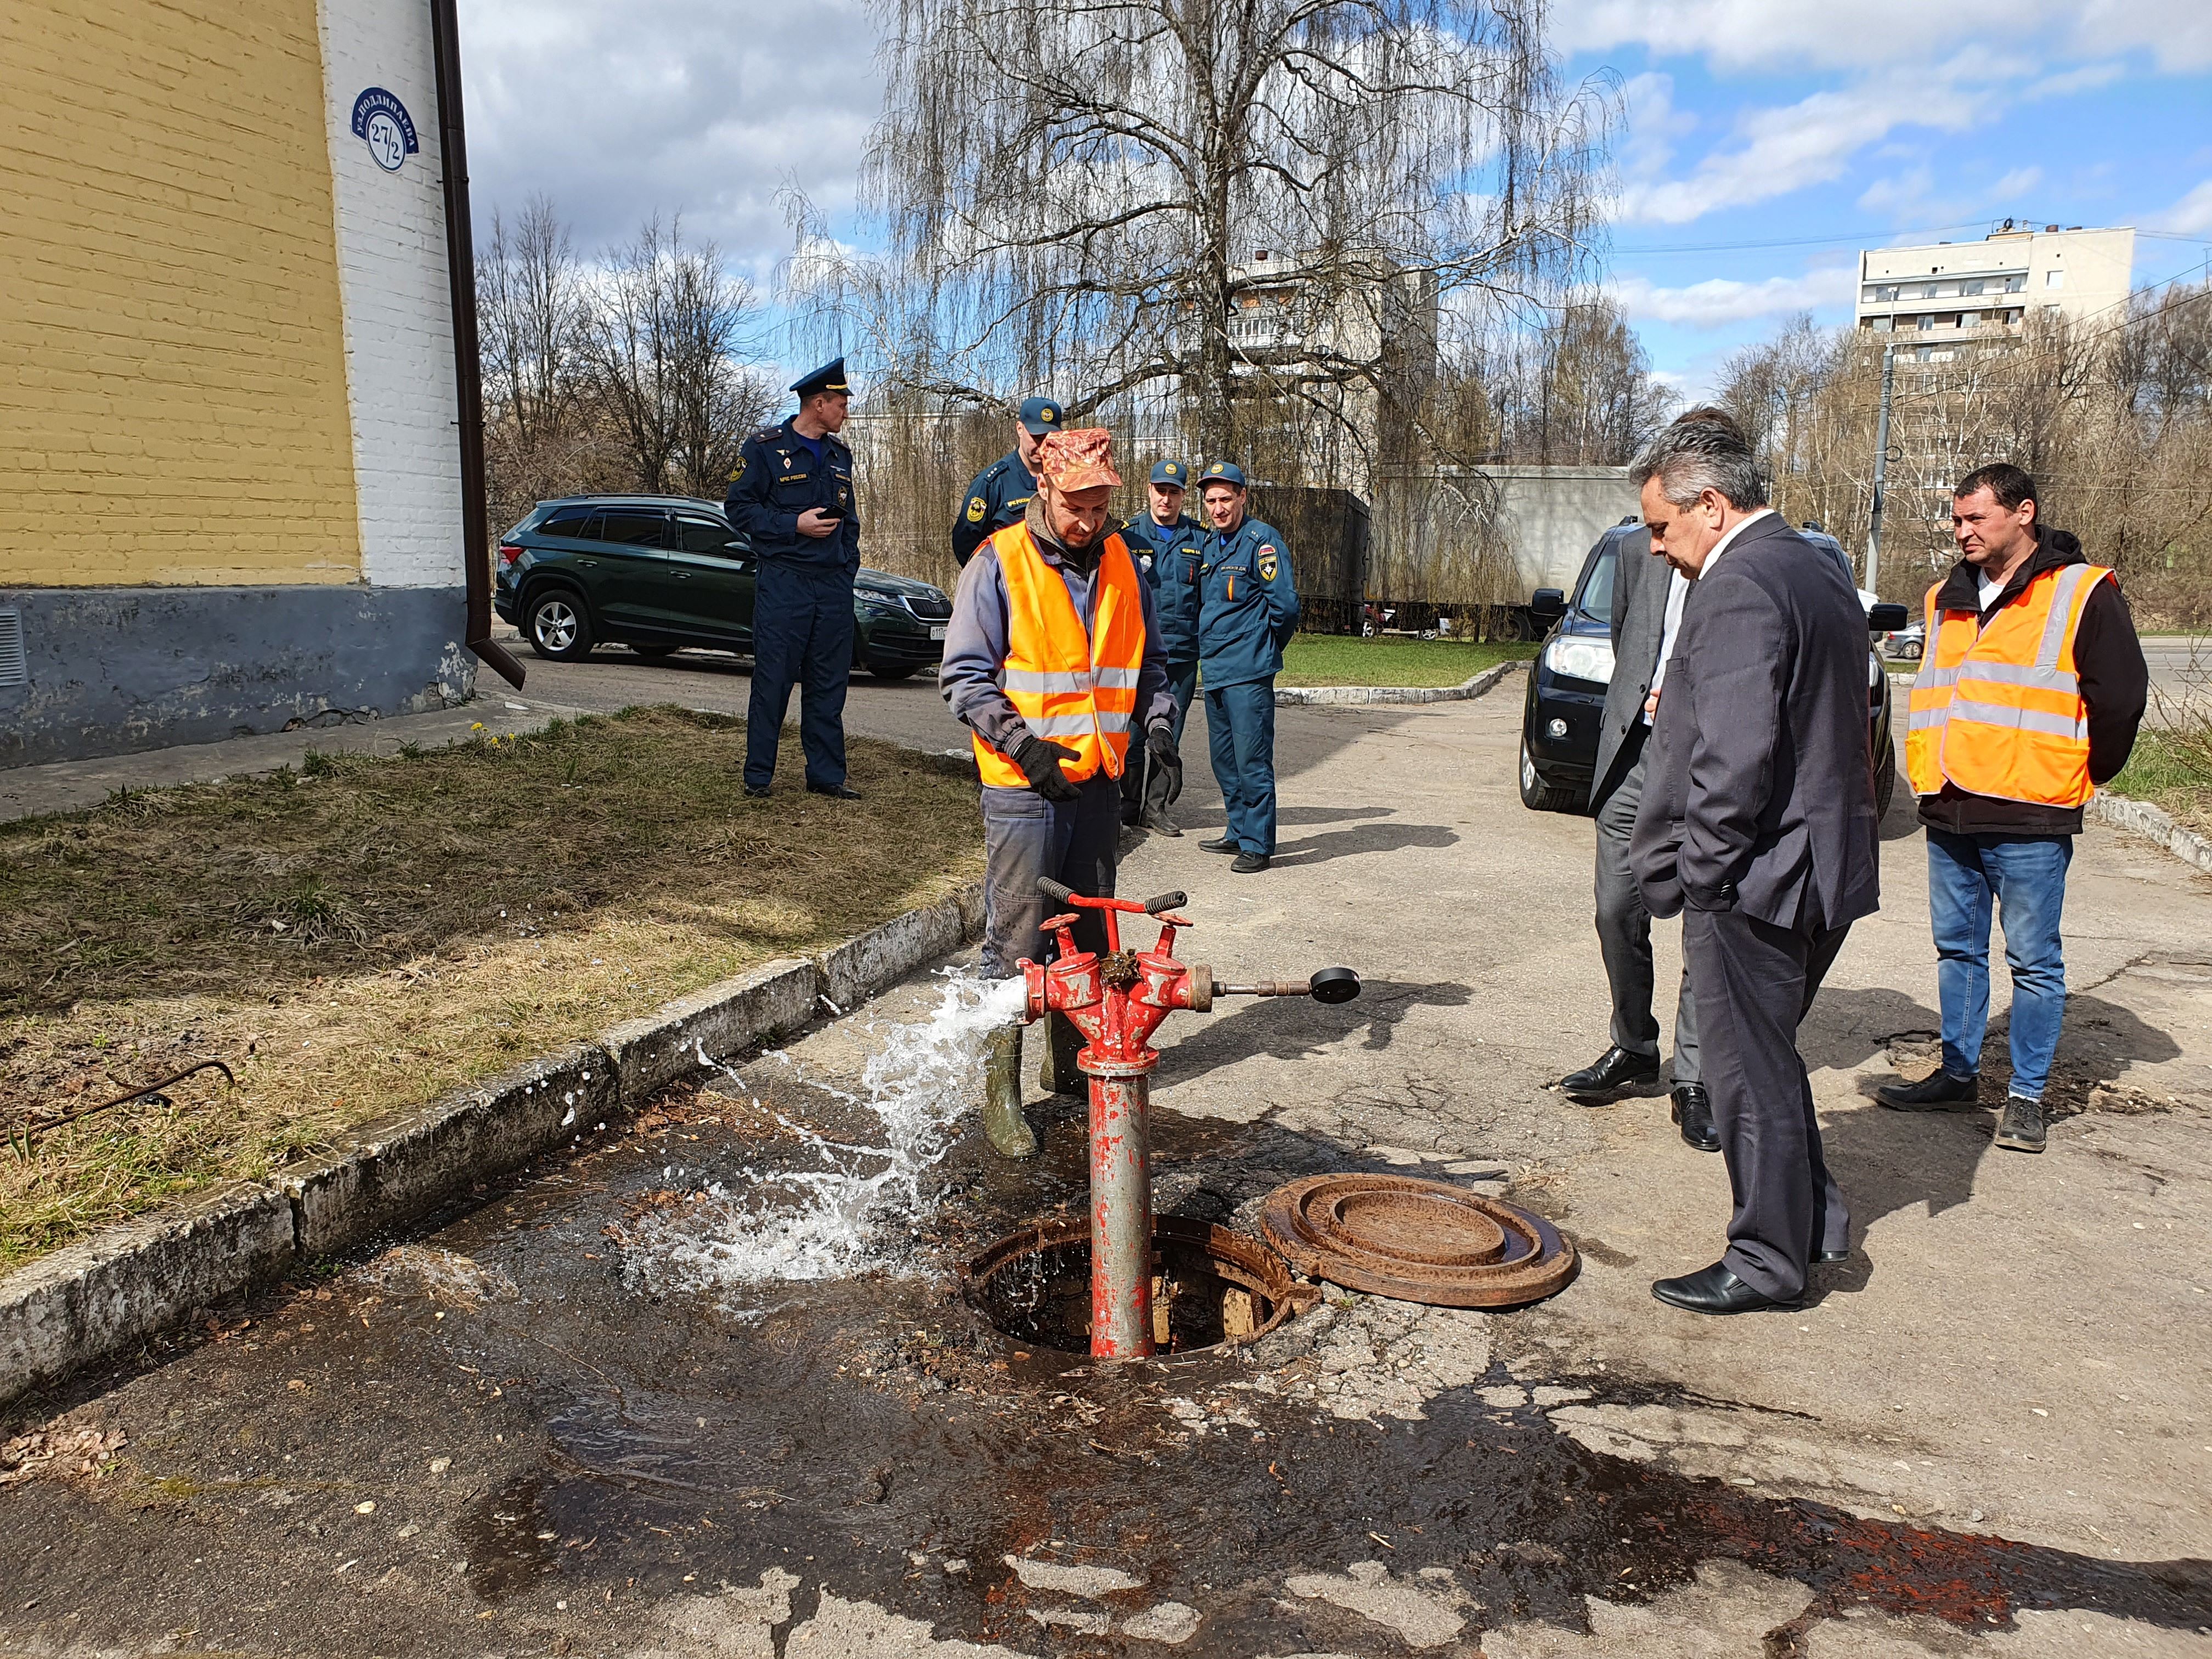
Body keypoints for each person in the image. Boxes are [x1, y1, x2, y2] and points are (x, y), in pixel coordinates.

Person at [1627, 418, 1881, 1316]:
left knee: (1742, 1071)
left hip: (1759, 877)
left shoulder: (1736, 583)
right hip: (1823, 863)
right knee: (1767, 1056)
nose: (1658, 550)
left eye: (1662, 527)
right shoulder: (1815, 564)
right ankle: (1810, 1220)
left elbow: (1732, 757)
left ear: (1711, 503)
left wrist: (1701, 871)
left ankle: (1768, 1259)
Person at [1880, 464, 2147, 1152]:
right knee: (1957, 951)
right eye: (1958, 519)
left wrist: (2085, 770)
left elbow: (2119, 698)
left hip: (2031, 811)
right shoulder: (1946, 596)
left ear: (2023, 513)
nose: (1962, 531)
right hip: (1950, 805)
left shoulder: (2081, 590)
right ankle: (1959, 1075)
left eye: (1976, 519)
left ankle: (2026, 1097)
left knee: (2033, 960)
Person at [939, 428, 1181, 1158]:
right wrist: (1026, 750)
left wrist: (1162, 730)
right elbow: (964, 680)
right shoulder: (998, 564)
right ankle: (1001, 1094)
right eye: (1078, 506)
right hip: (1024, 788)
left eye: (1101, 506)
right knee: (1017, 940)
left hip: (1098, 786)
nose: (1089, 521)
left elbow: (1153, 669)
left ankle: (1071, 1064)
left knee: (1093, 931)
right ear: (1044, 488)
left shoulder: (1121, 563)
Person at [1559, 413, 1746, 1153]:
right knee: (1615, 908)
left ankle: (1694, 1076)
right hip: (1636, 753)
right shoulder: (1642, 550)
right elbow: (1628, 638)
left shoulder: (1749, 559)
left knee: (1706, 919)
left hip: (1710, 762)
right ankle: (1634, 1044)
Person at [725, 357, 862, 799]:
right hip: (785, 582)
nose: (845, 412)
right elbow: (739, 509)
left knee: (828, 681)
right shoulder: (765, 448)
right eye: (840, 403)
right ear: (818, 404)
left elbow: (852, 520)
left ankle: (826, 775)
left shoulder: (840, 455)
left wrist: (847, 566)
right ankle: (759, 776)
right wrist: (793, 525)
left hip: (832, 585)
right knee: (774, 679)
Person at [1193, 461, 1299, 873]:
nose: (1218, 508)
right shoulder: (1210, 546)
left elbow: (1286, 607)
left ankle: (1258, 843)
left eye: (1225, 499)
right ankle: (1237, 830)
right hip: (1216, 669)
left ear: (1242, 497)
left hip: (1248, 671)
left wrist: (1265, 646)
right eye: (1211, 501)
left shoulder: (1261, 541)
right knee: (1224, 760)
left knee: (1252, 759)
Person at [1115, 459, 1204, 836]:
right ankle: (1127, 806)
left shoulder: (1200, 539)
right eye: (1160, 490)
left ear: (1183, 496)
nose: (1166, 499)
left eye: (1174, 492)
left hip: (1182, 652)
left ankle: (1156, 809)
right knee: (1134, 734)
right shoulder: (1128, 536)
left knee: (1170, 736)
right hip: (1136, 651)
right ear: (1149, 491)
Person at [951, 396, 1064, 568]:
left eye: (1049, 439)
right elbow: (966, 544)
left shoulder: (1066, 478)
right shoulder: (992, 483)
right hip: (1011, 585)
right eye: (1037, 438)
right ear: (1020, 429)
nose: (1043, 447)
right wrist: (994, 582)